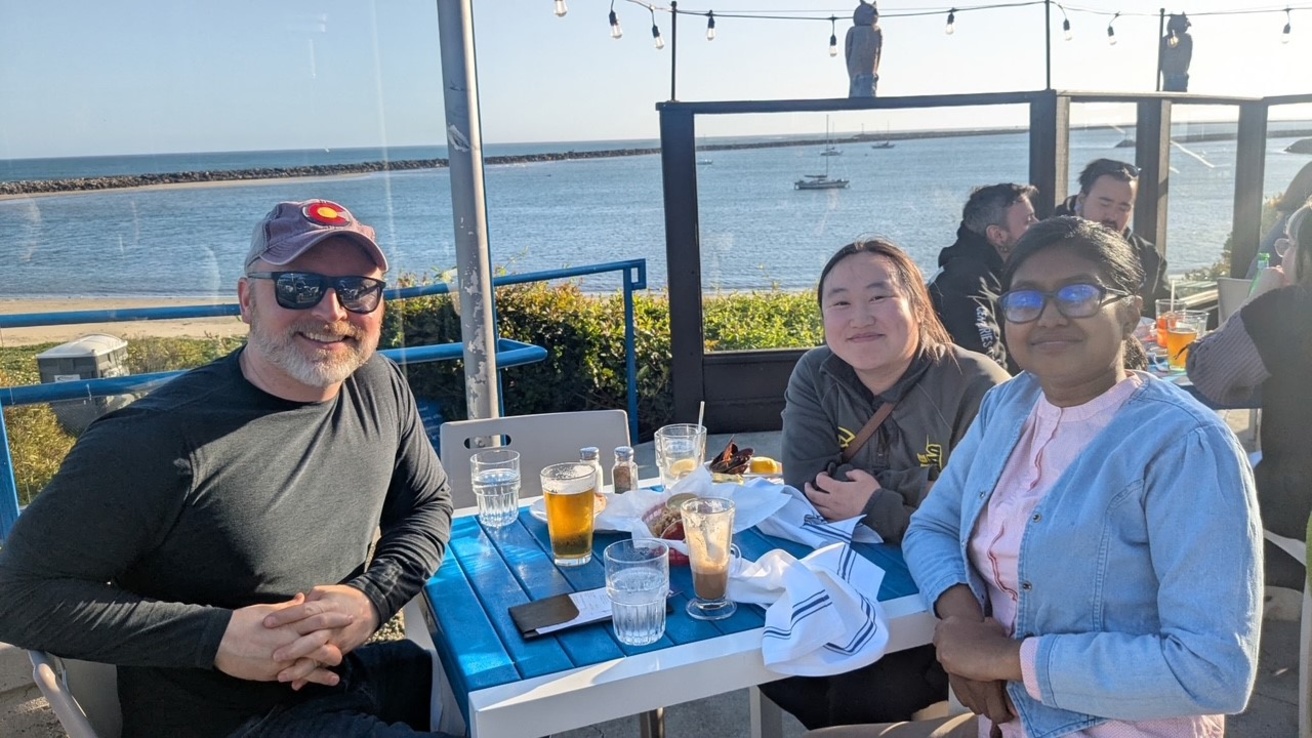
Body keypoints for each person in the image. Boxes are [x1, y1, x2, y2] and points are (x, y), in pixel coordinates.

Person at [0, 200, 456, 737]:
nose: (333, 311)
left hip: (342, 676)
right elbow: (18, 595)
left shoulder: (376, 384)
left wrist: (371, 599)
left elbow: (428, 504)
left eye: (357, 288)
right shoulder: (155, 439)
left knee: (515, 684)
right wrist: (216, 638)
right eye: (299, 286)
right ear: (247, 300)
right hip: (231, 721)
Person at [806, 217, 1262, 738]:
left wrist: (1007, 660)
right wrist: (961, 624)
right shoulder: (1010, 405)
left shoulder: (1185, 447)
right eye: (1024, 300)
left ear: (1132, 310)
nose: (1047, 317)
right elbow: (933, 525)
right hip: (1004, 718)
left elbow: (1214, 670)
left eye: (1078, 295)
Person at [767, 239, 1009, 730]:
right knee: (771, 660)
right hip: (845, 584)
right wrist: (922, 492)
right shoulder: (817, 372)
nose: (859, 317)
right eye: (840, 302)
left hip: (942, 604)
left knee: (865, 690)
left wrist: (877, 505)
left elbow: (976, 525)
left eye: (879, 297)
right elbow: (810, 485)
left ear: (918, 306)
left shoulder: (977, 385)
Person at [1190, 201, 1312, 591]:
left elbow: (1209, 373)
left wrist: (1257, 299)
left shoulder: (1288, 310)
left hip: (1296, 510)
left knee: (1202, 490)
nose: (1284, 255)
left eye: (1290, 244)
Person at [929, 183, 1038, 371]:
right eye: (1028, 221)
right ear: (998, 235)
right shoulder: (966, 287)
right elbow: (989, 370)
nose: (1038, 224)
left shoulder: (991, 275)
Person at [1054, 158, 1171, 316]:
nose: (1112, 215)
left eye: (1123, 208)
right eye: (1105, 204)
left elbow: (1165, 313)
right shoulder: (1050, 247)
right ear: (1082, 199)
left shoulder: (1147, 256)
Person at [845, 1, 883, 98]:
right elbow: (849, 54)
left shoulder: (877, 31)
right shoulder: (853, 31)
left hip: (870, 74)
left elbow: (878, 55)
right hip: (856, 75)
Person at [1159, 13, 1192, 92]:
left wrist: (1170, 30)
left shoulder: (1185, 38)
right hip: (1172, 78)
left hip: (1175, 77)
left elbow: (1172, 43)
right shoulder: (1185, 39)